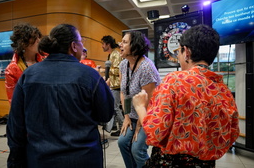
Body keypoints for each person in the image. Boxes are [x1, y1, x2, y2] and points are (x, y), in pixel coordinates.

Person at [6, 24, 114, 168]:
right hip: (84, 158)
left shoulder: (28, 76)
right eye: (81, 42)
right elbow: (105, 115)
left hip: (39, 158)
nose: (83, 47)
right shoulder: (90, 75)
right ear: (74, 46)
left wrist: (16, 160)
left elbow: (15, 125)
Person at [132, 24, 240, 167]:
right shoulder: (223, 90)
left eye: (179, 51)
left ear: (187, 52)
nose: (178, 55)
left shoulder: (174, 81)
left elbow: (154, 133)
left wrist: (140, 106)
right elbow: (232, 134)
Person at [118, 31, 161, 168]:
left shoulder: (146, 67)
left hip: (149, 114)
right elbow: (124, 92)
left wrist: (139, 126)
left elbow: (149, 101)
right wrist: (126, 116)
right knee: (122, 142)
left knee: (137, 149)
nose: (120, 44)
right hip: (132, 113)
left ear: (135, 46)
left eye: (124, 42)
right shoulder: (123, 65)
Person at [5, 23, 44, 104]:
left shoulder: (46, 58)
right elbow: (14, 101)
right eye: (34, 38)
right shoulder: (12, 69)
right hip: (29, 110)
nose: (38, 41)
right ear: (23, 43)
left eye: (38, 37)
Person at [101, 35, 124, 136]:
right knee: (113, 106)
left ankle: (123, 127)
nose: (102, 46)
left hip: (117, 85)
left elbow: (118, 70)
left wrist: (106, 70)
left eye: (103, 44)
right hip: (113, 85)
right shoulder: (111, 55)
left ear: (108, 44)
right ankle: (115, 125)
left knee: (115, 107)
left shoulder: (116, 54)